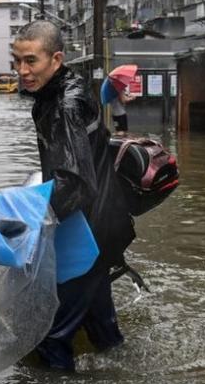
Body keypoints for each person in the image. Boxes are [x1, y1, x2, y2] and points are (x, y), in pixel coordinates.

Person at [11, 20, 136, 371]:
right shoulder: (65, 92)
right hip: (105, 225)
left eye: (31, 61)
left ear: (56, 59)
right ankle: (125, 373)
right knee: (102, 329)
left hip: (88, 235)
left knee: (52, 335)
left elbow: (73, 184)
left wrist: (26, 219)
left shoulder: (63, 107)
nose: (22, 70)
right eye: (17, 60)